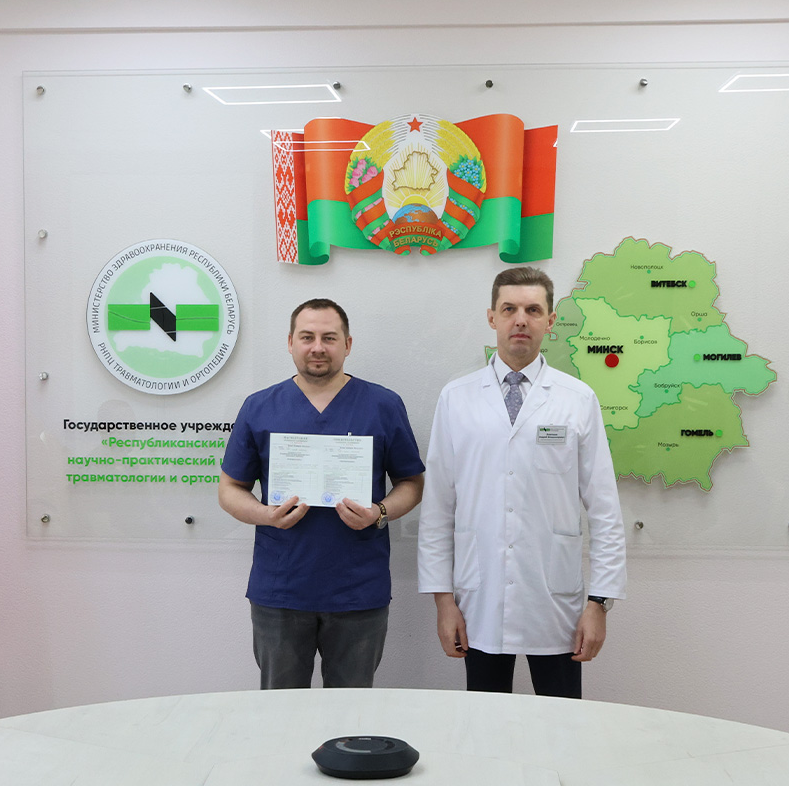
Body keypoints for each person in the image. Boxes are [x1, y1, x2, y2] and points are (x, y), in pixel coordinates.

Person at [418, 267, 627, 699]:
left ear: (550, 321)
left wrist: (599, 603)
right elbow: (438, 507)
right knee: (484, 722)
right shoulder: (456, 398)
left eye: (533, 310)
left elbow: (605, 509)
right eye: (509, 309)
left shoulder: (577, 399)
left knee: (561, 721)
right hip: (479, 596)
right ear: (491, 317)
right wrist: (443, 600)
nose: (520, 320)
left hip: (555, 599)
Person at [219, 298, 424, 689]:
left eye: (329, 338)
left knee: (350, 713)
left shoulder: (383, 405)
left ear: (347, 344)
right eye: (307, 337)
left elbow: (412, 483)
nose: (318, 347)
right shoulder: (259, 407)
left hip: (357, 592)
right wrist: (265, 515)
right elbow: (230, 489)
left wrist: (380, 512)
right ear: (290, 343)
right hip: (280, 590)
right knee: (280, 710)